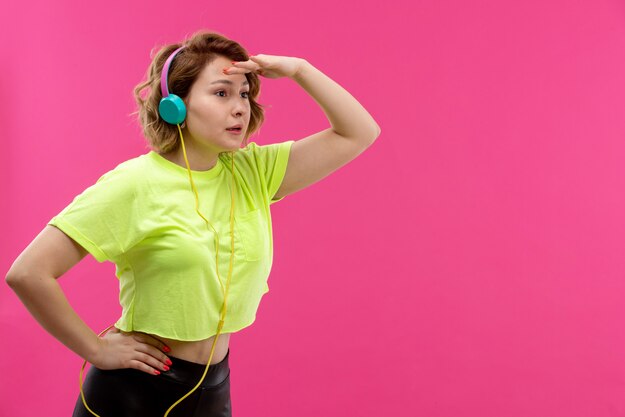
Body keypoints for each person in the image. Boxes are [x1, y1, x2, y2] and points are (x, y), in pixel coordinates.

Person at [5, 29, 381, 417]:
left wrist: (301, 69)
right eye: (221, 93)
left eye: (244, 94)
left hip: (213, 386)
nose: (239, 107)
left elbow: (359, 132)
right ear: (176, 106)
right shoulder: (135, 184)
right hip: (134, 392)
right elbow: (29, 273)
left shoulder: (254, 172)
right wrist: (95, 349)